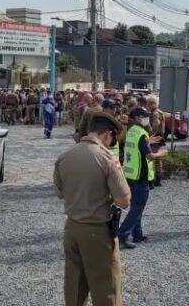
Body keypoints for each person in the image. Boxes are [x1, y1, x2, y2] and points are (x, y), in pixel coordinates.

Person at [53, 113, 131, 306]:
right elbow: (124, 200)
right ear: (106, 134)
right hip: (98, 229)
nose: (111, 143)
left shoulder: (65, 156)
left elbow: (59, 192)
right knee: (106, 287)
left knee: (74, 286)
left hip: (72, 228)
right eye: (112, 138)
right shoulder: (107, 158)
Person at [117, 107, 167, 249]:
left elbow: (138, 147)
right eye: (145, 116)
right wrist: (161, 154)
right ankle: (123, 234)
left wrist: (148, 141)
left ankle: (137, 234)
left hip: (130, 174)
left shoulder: (132, 131)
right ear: (138, 117)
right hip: (140, 175)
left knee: (135, 206)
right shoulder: (141, 134)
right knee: (138, 207)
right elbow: (149, 156)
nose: (147, 119)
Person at [146, 96, 166, 187]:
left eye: (148, 104)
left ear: (152, 104)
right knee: (157, 159)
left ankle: (154, 179)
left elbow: (155, 127)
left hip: (155, 138)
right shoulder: (160, 112)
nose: (147, 106)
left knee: (152, 158)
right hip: (159, 138)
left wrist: (149, 136)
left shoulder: (155, 114)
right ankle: (158, 178)